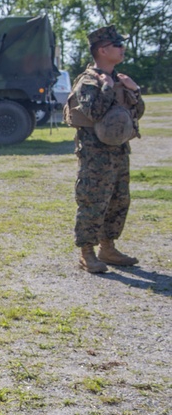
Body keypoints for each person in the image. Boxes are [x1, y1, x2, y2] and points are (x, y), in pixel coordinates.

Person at [70, 25, 145, 274]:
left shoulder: (119, 79)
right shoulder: (89, 81)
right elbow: (95, 111)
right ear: (102, 50)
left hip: (119, 151)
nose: (123, 49)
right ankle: (87, 253)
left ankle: (108, 247)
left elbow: (136, 112)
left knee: (118, 200)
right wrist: (107, 86)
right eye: (118, 45)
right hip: (95, 154)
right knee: (92, 201)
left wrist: (134, 89)